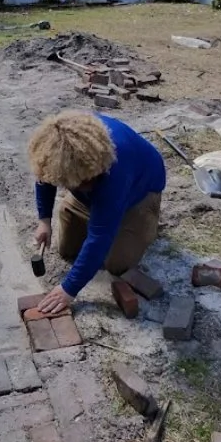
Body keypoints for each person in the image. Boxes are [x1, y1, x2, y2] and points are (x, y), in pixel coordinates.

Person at [28, 110, 166, 315]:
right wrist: (44, 221)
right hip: (94, 191)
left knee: (117, 264)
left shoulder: (114, 168)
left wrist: (69, 289)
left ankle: (145, 222)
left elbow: (99, 236)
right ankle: (99, 215)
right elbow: (45, 176)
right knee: (66, 250)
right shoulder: (60, 143)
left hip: (139, 195)